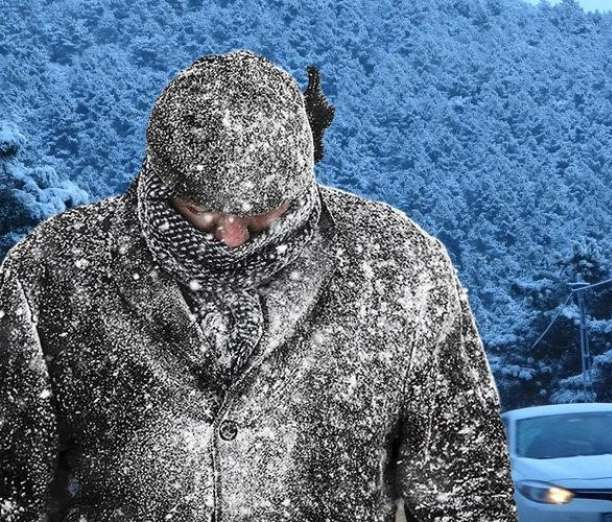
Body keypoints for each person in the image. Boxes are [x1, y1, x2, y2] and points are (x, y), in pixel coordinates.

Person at [0, 49, 516, 522]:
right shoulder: (52, 272)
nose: (229, 239)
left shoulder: (400, 267)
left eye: (260, 215)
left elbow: (466, 487)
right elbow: (12, 490)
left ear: (301, 182)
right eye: (199, 211)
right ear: (160, 181)